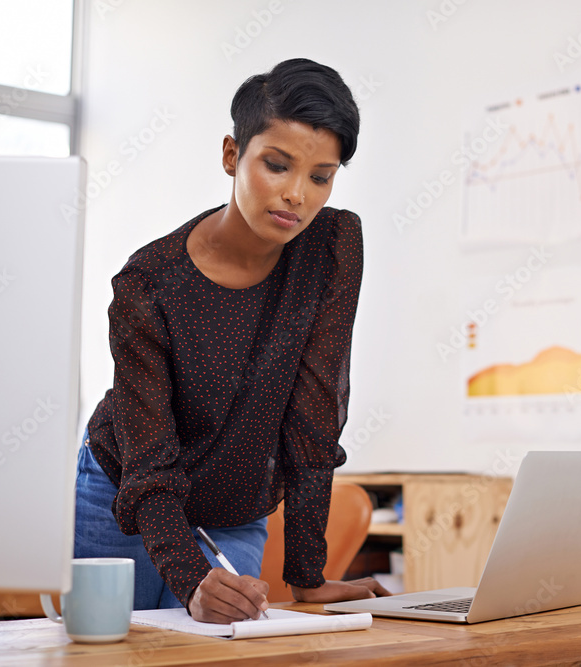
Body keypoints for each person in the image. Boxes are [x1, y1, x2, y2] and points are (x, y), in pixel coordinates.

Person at [74, 58, 390, 624]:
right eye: (277, 165)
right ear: (231, 155)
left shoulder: (333, 247)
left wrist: (308, 578)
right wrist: (191, 580)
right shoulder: (147, 285)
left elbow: (313, 421)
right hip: (125, 495)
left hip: (234, 510)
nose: (297, 194)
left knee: (225, 647)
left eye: (320, 175)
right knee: (114, 655)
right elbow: (148, 461)